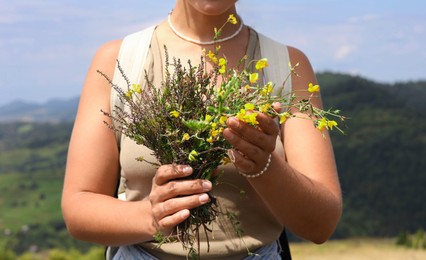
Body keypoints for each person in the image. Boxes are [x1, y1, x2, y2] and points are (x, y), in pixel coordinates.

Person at [61, 0, 342, 259]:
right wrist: (151, 216)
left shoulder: (287, 65)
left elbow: (321, 225)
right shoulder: (120, 60)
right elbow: (78, 208)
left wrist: (263, 164)